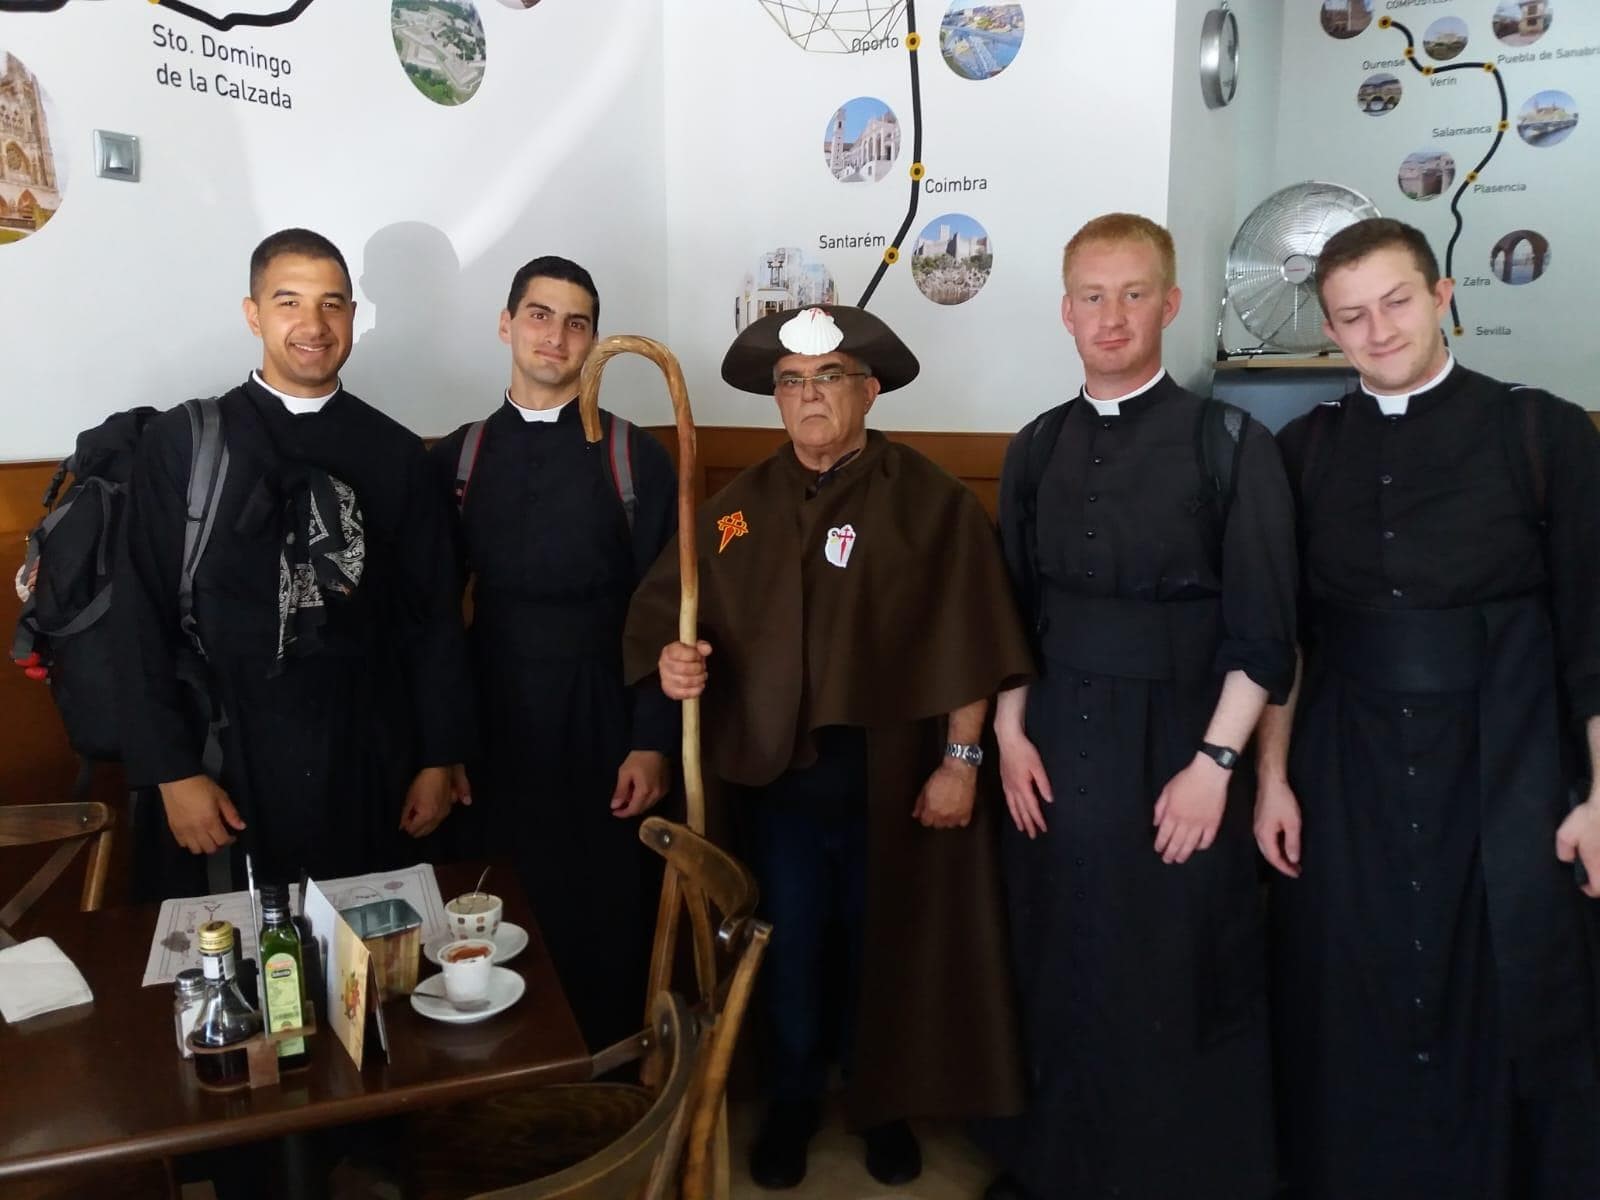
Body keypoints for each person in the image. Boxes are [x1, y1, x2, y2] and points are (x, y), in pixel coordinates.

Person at [623, 305, 1032, 1190]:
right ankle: (797, 1101)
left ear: (869, 390)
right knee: (789, 946)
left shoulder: (928, 502)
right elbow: (674, 616)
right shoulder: (736, 510)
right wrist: (676, 661)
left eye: (830, 378)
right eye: (792, 383)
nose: (809, 397)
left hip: (892, 779)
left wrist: (961, 763)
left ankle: (883, 1106)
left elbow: (973, 638)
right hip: (775, 783)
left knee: (886, 945)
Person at [1256, 216, 1600, 1199]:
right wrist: (1271, 779)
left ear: (1443, 294)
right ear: (1327, 331)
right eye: (1350, 317)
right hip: (1345, 764)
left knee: (1512, 986)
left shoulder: (1543, 432)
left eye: (1396, 302)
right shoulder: (1304, 450)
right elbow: (1288, 636)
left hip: (1510, 761)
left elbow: (1590, 628)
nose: (1377, 331)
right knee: (1347, 986)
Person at [984, 213, 1296, 1200]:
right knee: (1058, 954)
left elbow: (1266, 630)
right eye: (1091, 295)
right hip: (1053, 743)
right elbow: (1008, 611)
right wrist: (1004, 729)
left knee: (1172, 963)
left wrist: (1216, 767)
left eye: (1131, 295)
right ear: (1064, 311)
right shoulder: (1034, 447)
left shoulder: (1229, 443)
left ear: (1167, 304)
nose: (1110, 316)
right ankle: (1052, 1169)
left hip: (1180, 739)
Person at [115, 228, 474, 896]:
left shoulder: (396, 453)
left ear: (352, 318)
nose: (313, 325)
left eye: (332, 304)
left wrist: (436, 756)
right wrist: (171, 772)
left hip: (366, 752)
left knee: (365, 959)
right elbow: (139, 614)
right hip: (223, 756)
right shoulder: (183, 445)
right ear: (253, 313)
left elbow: (431, 618)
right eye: (289, 302)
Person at [428, 256, 677, 1050]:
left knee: (606, 904)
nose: (556, 335)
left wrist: (651, 740)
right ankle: (505, 1089)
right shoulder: (458, 460)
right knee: (492, 906)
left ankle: (608, 1083)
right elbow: (433, 616)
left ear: (595, 343)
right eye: (539, 315)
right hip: (493, 720)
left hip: (605, 716)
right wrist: (444, 746)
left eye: (577, 322)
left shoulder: (635, 459)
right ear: (506, 325)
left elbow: (666, 611)